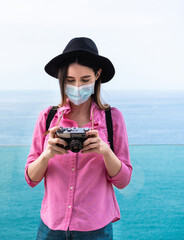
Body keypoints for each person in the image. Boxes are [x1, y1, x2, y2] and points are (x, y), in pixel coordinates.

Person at [24, 37, 133, 240]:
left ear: (97, 75)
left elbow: (124, 180)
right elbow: (31, 178)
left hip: (96, 228)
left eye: (85, 80)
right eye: (70, 80)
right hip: (51, 227)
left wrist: (105, 151)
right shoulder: (48, 118)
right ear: (61, 79)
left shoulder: (113, 118)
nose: (77, 87)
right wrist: (46, 155)